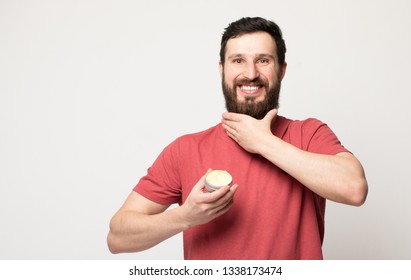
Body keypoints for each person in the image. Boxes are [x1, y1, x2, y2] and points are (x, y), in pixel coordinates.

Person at [107, 17, 368, 260]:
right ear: (222, 69)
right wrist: (186, 216)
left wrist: (264, 142)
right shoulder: (185, 150)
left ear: (282, 70)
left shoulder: (308, 134)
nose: (251, 73)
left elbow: (354, 189)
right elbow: (117, 238)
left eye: (263, 60)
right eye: (238, 61)